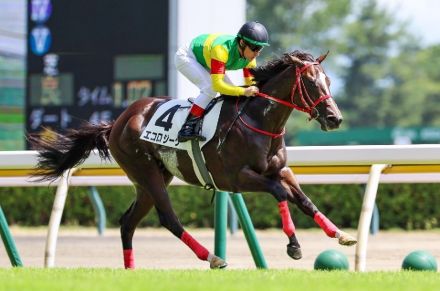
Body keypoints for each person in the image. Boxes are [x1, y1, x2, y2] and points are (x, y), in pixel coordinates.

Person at [175, 21, 270, 142]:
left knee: (231, 92)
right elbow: (218, 85)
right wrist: (244, 91)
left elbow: (250, 84)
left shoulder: (250, 59)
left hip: (207, 60)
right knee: (210, 89)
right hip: (187, 56)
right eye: (255, 48)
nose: (257, 53)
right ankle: (187, 128)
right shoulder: (221, 50)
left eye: (260, 49)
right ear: (242, 42)